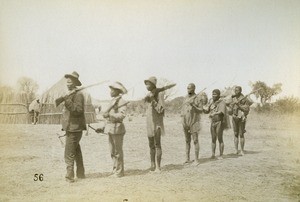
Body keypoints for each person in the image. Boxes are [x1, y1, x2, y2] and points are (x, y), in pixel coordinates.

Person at [55, 71, 86, 183]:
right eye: (67, 79)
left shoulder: (78, 95)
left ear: (75, 83)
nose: (68, 81)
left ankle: (69, 177)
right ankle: (81, 174)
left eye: (71, 80)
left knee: (69, 153)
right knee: (76, 151)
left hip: (75, 128)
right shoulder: (71, 94)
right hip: (71, 127)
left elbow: (78, 110)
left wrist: (67, 100)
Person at [144, 76, 176, 172]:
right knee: (151, 145)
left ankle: (158, 167)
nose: (146, 86)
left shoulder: (160, 94)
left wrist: (153, 100)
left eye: (148, 84)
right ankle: (152, 165)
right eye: (146, 84)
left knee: (157, 145)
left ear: (153, 84)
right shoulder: (149, 94)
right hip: (149, 124)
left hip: (157, 124)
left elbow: (160, 110)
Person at [96, 82, 128, 178]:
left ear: (117, 91)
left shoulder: (122, 102)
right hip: (110, 129)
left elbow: (122, 116)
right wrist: (102, 127)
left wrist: (110, 115)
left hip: (118, 129)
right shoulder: (112, 101)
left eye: (112, 90)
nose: (110, 92)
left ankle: (119, 172)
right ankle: (115, 170)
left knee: (118, 152)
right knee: (112, 151)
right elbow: (107, 117)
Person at [181, 83, 205, 164]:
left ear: (194, 88)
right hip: (185, 122)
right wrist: (182, 121)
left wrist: (193, 105)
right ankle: (187, 159)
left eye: (190, 88)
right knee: (187, 141)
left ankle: (196, 160)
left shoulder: (198, 98)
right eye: (187, 88)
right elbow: (183, 111)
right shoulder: (185, 98)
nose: (188, 90)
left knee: (195, 140)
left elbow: (201, 110)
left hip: (194, 122)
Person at [203, 89, 229, 159]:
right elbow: (207, 111)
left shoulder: (222, 102)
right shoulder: (211, 102)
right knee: (213, 139)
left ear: (218, 95)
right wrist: (203, 108)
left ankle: (221, 155)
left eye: (215, 94)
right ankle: (213, 154)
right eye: (213, 94)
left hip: (219, 122)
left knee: (220, 138)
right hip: (213, 122)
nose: (213, 95)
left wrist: (214, 113)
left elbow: (221, 112)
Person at [230, 86, 250, 156]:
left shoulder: (244, 98)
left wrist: (239, 105)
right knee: (235, 134)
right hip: (234, 117)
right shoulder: (233, 98)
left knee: (241, 134)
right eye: (235, 90)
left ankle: (242, 150)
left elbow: (246, 109)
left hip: (241, 118)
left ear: (241, 91)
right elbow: (230, 108)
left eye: (237, 90)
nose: (236, 91)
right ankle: (236, 150)